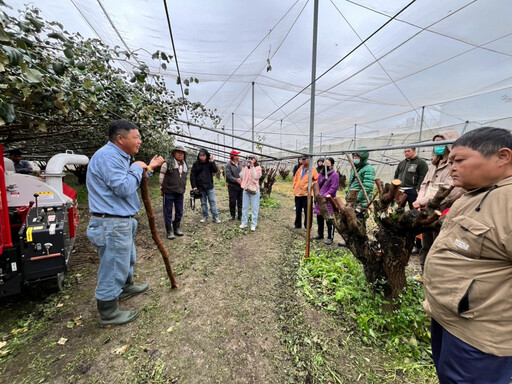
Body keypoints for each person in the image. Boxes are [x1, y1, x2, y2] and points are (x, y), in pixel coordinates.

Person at [423, 127, 512, 384]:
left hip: (481, 336)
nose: (452, 167)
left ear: (503, 156)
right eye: (450, 162)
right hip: (452, 320)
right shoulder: (477, 192)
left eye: (459, 160)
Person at [86, 119, 164, 326]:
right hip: (112, 223)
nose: (140, 141)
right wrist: (138, 168)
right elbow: (122, 187)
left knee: (125, 259)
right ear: (120, 139)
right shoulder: (109, 157)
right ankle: (109, 312)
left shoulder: (120, 157)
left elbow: (131, 181)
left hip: (119, 221)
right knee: (113, 266)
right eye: (136, 137)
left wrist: (149, 168)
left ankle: (126, 287)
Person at [412, 131, 463, 281]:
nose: (437, 147)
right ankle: (424, 273)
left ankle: (437, 277)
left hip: (443, 209)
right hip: (427, 208)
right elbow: (424, 184)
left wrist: (421, 202)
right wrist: (420, 200)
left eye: (441, 143)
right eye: (435, 144)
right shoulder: (434, 165)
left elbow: (449, 190)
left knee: (438, 243)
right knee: (425, 243)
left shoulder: (453, 166)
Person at [339, 149, 375, 246]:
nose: (355, 159)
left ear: (363, 158)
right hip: (352, 199)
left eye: (357, 157)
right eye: (354, 157)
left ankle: (361, 241)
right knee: (350, 219)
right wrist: (348, 195)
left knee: (359, 220)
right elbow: (352, 185)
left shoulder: (368, 169)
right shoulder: (355, 168)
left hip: (360, 201)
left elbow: (367, 187)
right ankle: (351, 241)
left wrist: (357, 198)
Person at [159, 145, 188, 240]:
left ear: (184, 155)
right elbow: (161, 176)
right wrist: (161, 188)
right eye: (178, 152)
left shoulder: (185, 165)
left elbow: (184, 178)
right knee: (168, 212)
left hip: (180, 192)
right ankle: (169, 230)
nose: (180, 154)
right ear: (174, 153)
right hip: (169, 192)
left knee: (179, 211)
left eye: (182, 152)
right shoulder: (167, 163)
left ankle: (177, 228)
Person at [190, 148, 221, 223]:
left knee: (212, 202)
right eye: (200, 155)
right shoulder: (196, 164)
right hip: (200, 187)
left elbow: (215, 170)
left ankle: (215, 217)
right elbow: (193, 175)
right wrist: (194, 186)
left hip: (209, 186)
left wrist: (213, 161)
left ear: (206, 156)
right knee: (203, 202)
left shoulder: (209, 163)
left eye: (203, 155)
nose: (202, 157)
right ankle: (205, 216)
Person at [313, 157, 339, 245]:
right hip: (320, 199)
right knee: (319, 217)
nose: (325, 165)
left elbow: (334, 188)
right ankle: (320, 234)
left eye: (327, 164)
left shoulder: (335, 175)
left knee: (329, 219)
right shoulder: (321, 174)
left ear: (331, 165)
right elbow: (318, 183)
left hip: (328, 200)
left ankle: (330, 237)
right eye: (324, 164)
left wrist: (324, 196)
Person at [293, 156, 318, 229]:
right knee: (298, 209)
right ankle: (297, 224)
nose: (303, 161)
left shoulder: (313, 170)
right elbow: (296, 178)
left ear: (309, 160)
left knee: (308, 211)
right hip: (298, 192)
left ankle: (307, 226)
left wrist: (310, 185)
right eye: (302, 159)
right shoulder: (300, 169)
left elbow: (316, 180)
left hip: (307, 194)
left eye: (304, 159)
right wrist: (294, 186)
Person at [239, 155, 262, 231]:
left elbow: (256, 177)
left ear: (255, 160)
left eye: (252, 159)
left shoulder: (258, 168)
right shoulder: (245, 167)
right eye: (249, 159)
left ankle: (253, 224)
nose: (250, 160)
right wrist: (243, 167)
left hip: (254, 189)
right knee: (245, 207)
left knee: (255, 207)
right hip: (246, 188)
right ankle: (244, 223)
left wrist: (252, 167)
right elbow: (242, 177)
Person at [225, 150, 243, 221]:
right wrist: (237, 180)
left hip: (241, 186)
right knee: (232, 201)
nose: (239, 157)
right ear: (234, 157)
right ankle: (232, 216)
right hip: (233, 186)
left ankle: (240, 216)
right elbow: (229, 176)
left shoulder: (241, 164)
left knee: (240, 201)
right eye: (237, 155)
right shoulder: (228, 165)